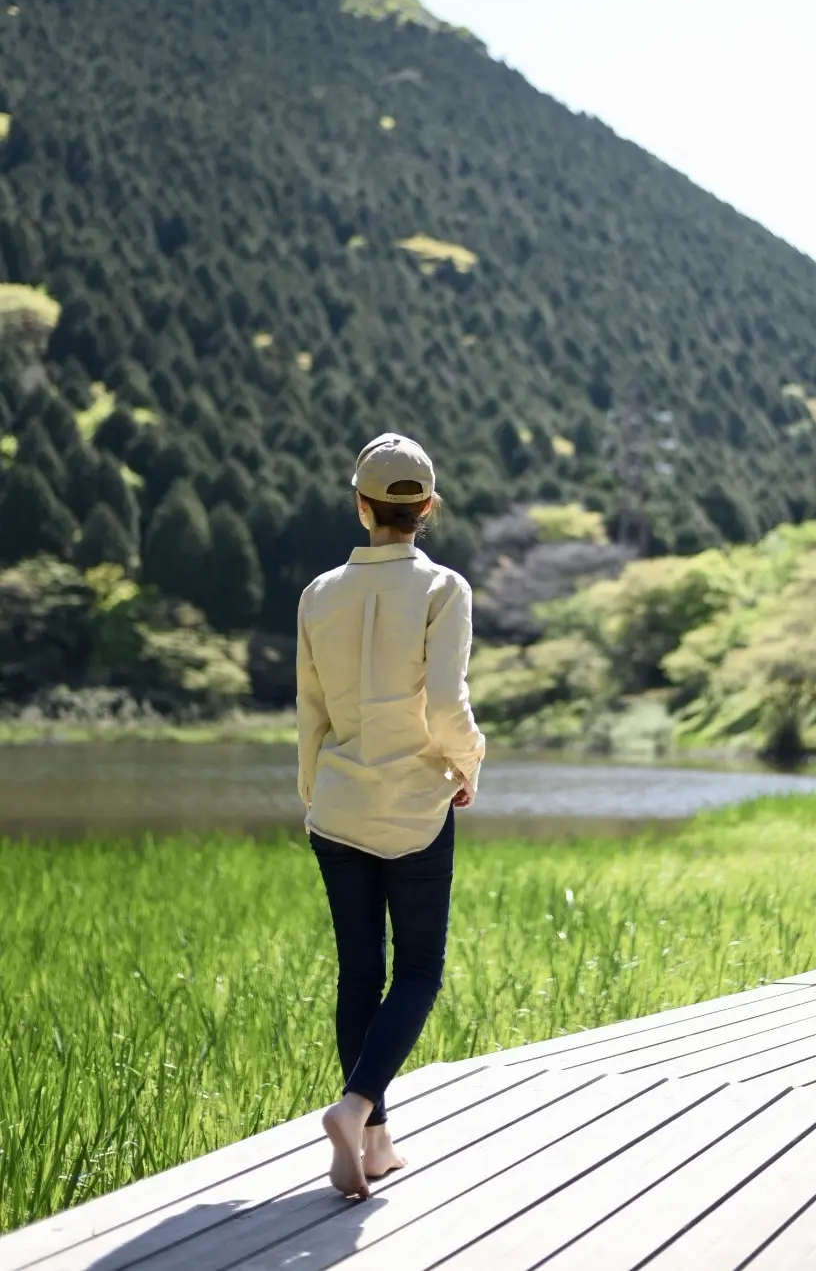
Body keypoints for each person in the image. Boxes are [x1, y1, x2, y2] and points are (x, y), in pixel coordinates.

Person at [296, 431, 485, 1199]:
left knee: (359, 975)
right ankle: (356, 1110)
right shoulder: (444, 590)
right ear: (429, 508)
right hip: (414, 807)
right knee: (418, 971)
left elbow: (311, 711)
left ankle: (375, 1147)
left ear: (361, 506)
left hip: (338, 807)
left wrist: (315, 792)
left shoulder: (317, 593)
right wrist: (467, 767)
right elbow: (447, 704)